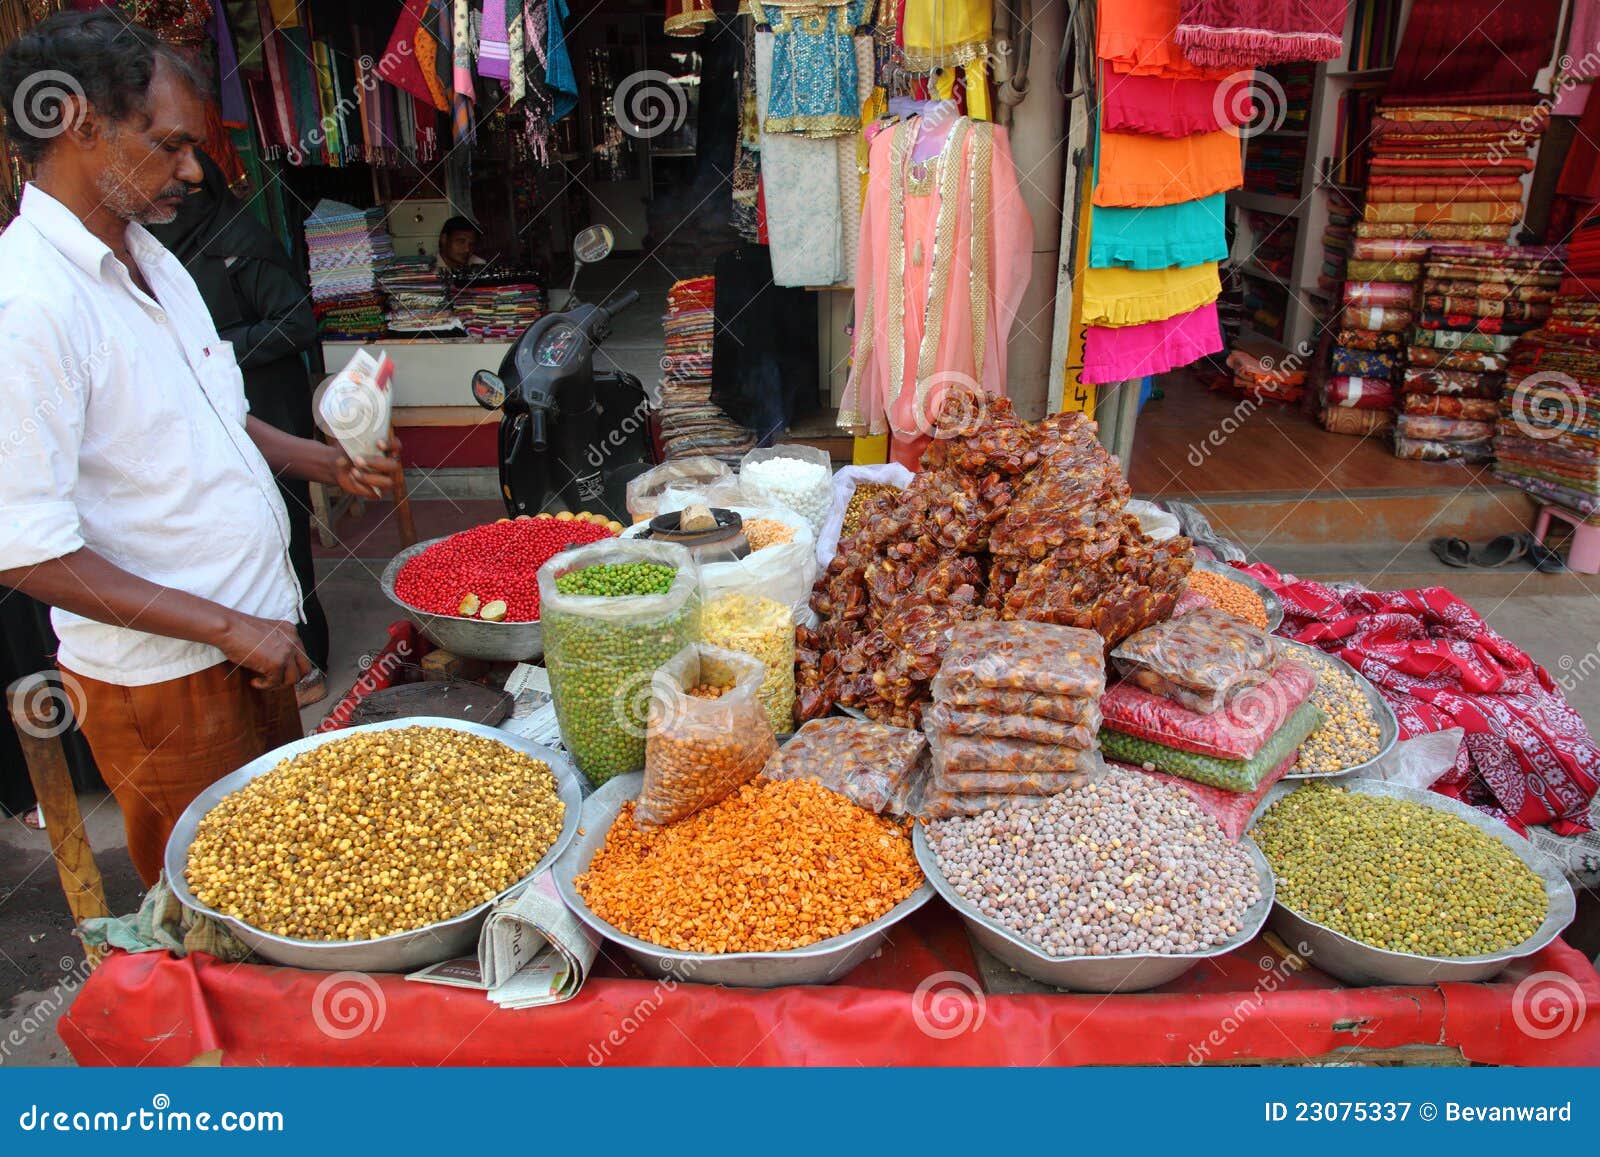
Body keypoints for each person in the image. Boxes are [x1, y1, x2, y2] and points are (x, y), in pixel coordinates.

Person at [0, 11, 403, 886]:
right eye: (172, 143)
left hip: (254, 648)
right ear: (81, 125)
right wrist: (226, 627)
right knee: (216, 913)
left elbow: (216, 416)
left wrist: (320, 460)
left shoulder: (154, 256)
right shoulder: (27, 305)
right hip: (168, 684)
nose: (193, 169)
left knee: (289, 884)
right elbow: (26, 554)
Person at [148, 149, 331, 708]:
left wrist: (215, 352)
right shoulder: (153, 257)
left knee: (281, 530)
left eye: (190, 192)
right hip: (208, 409)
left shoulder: (239, 242)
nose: (177, 203)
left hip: (269, 404)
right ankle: (256, 657)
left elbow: (296, 322)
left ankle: (309, 658)